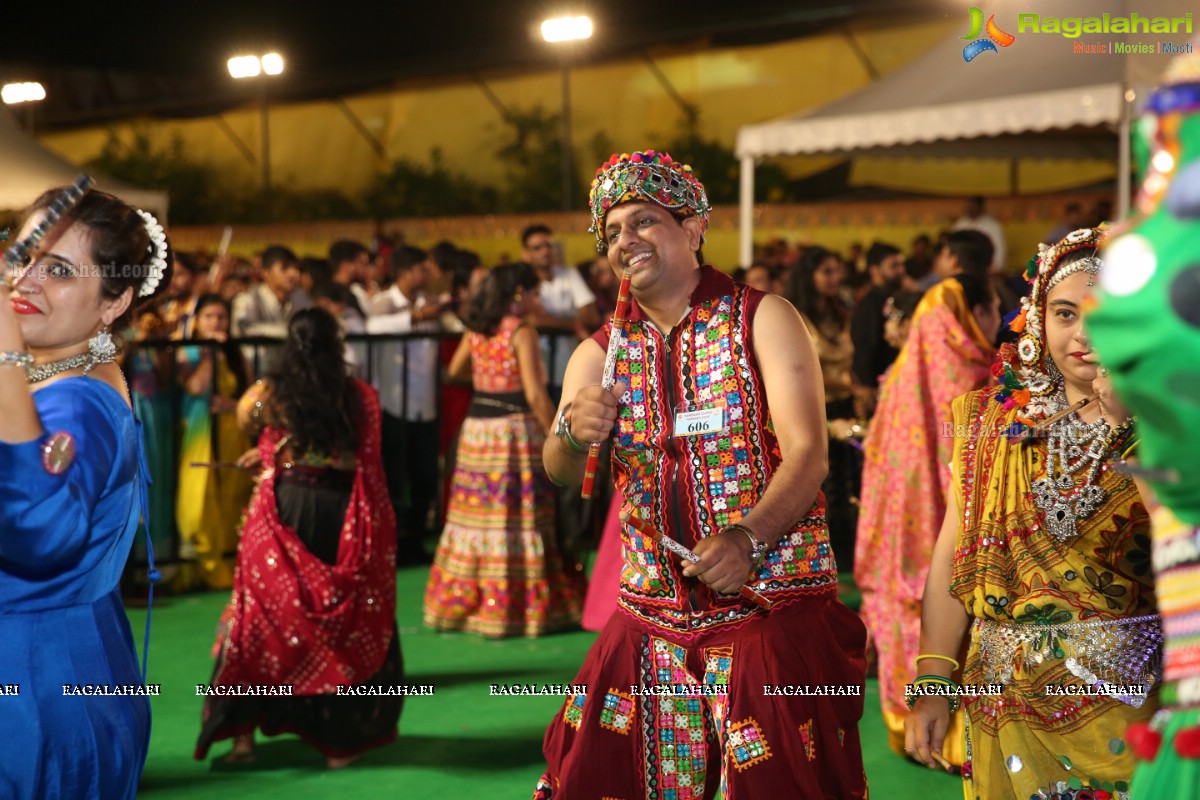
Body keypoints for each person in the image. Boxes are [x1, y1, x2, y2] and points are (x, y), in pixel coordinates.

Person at [535, 150, 867, 799]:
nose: (624, 240)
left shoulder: (763, 318)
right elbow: (557, 466)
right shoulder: (597, 353)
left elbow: (808, 454)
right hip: (649, 616)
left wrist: (749, 538)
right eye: (612, 232)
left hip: (768, 609)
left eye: (644, 221)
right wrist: (575, 429)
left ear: (693, 229)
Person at [905, 229, 1160, 798]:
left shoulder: (1173, 420)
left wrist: (1137, 424)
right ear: (1037, 318)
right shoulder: (986, 423)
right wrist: (933, 677)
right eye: (1064, 313)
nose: (1083, 334)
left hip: (1129, 707)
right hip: (1001, 706)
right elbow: (955, 552)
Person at [0, 186, 173, 798]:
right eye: (21, 255)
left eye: (60, 269)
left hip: (32, 689)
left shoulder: (78, 401)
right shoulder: (52, 372)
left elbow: (40, 530)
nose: (25, 280)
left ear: (115, 300)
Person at [195, 307, 402, 769]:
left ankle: (242, 738)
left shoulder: (276, 395)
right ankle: (338, 742)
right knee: (339, 624)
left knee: (258, 621)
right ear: (337, 345)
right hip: (339, 512)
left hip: (284, 509)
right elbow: (363, 462)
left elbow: (250, 416)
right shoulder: (358, 396)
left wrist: (276, 454)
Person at [853, 265, 1000, 763]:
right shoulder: (975, 381)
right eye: (994, 307)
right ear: (973, 315)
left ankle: (914, 726)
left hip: (899, 532)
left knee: (910, 600)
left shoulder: (906, 371)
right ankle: (957, 738)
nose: (999, 318)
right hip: (949, 527)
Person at [423, 262, 582, 637]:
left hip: (478, 430)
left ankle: (465, 605)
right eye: (533, 292)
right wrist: (558, 438)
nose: (537, 299)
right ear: (518, 294)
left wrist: (487, 378)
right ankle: (514, 610)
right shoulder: (521, 331)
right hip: (513, 433)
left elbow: (456, 371)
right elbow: (535, 394)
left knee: (475, 521)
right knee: (519, 520)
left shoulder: (480, 329)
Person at [785, 246, 860, 572]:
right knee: (818, 484)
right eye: (826, 271)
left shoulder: (842, 312)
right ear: (809, 276)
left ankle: (845, 559)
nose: (835, 278)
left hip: (846, 408)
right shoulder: (794, 316)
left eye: (836, 271)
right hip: (811, 408)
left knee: (847, 487)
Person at [174, 293, 253, 589]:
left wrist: (233, 406)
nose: (216, 322)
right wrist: (209, 355)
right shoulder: (189, 352)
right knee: (197, 501)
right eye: (209, 316)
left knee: (233, 495)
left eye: (221, 316)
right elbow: (195, 386)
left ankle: (234, 563)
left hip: (232, 432)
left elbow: (251, 393)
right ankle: (201, 566)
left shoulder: (236, 353)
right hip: (198, 433)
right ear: (197, 321)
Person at [850, 241, 905, 413]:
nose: (901, 270)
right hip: (878, 392)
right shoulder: (870, 305)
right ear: (875, 270)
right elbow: (864, 351)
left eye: (902, 264)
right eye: (894, 266)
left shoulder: (895, 298)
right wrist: (869, 392)